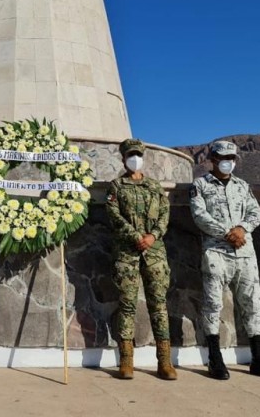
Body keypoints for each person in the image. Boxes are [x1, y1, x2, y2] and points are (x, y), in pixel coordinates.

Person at [190, 141, 260, 380]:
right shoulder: (200, 185)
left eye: (232, 157)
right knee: (213, 305)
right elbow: (199, 214)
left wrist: (241, 229)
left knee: (253, 305)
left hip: (244, 252)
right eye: (223, 157)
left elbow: (255, 212)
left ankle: (259, 358)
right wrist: (226, 233)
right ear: (212, 158)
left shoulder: (243, 186)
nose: (228, 161)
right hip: (216, 252)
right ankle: (214, 358)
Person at [106, 138, 176, 381]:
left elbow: (165, 215)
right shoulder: (116, 186)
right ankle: (126, 362)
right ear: (123, 158)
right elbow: (114, 216)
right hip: (127, 253)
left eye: (138, 155)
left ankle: (164, 362)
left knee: (159, 305)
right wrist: (136, 236)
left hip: (154, 253)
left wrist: (152, 236)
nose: (135, 159)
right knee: (127, 305)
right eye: (130, 155)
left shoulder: (154, 186)